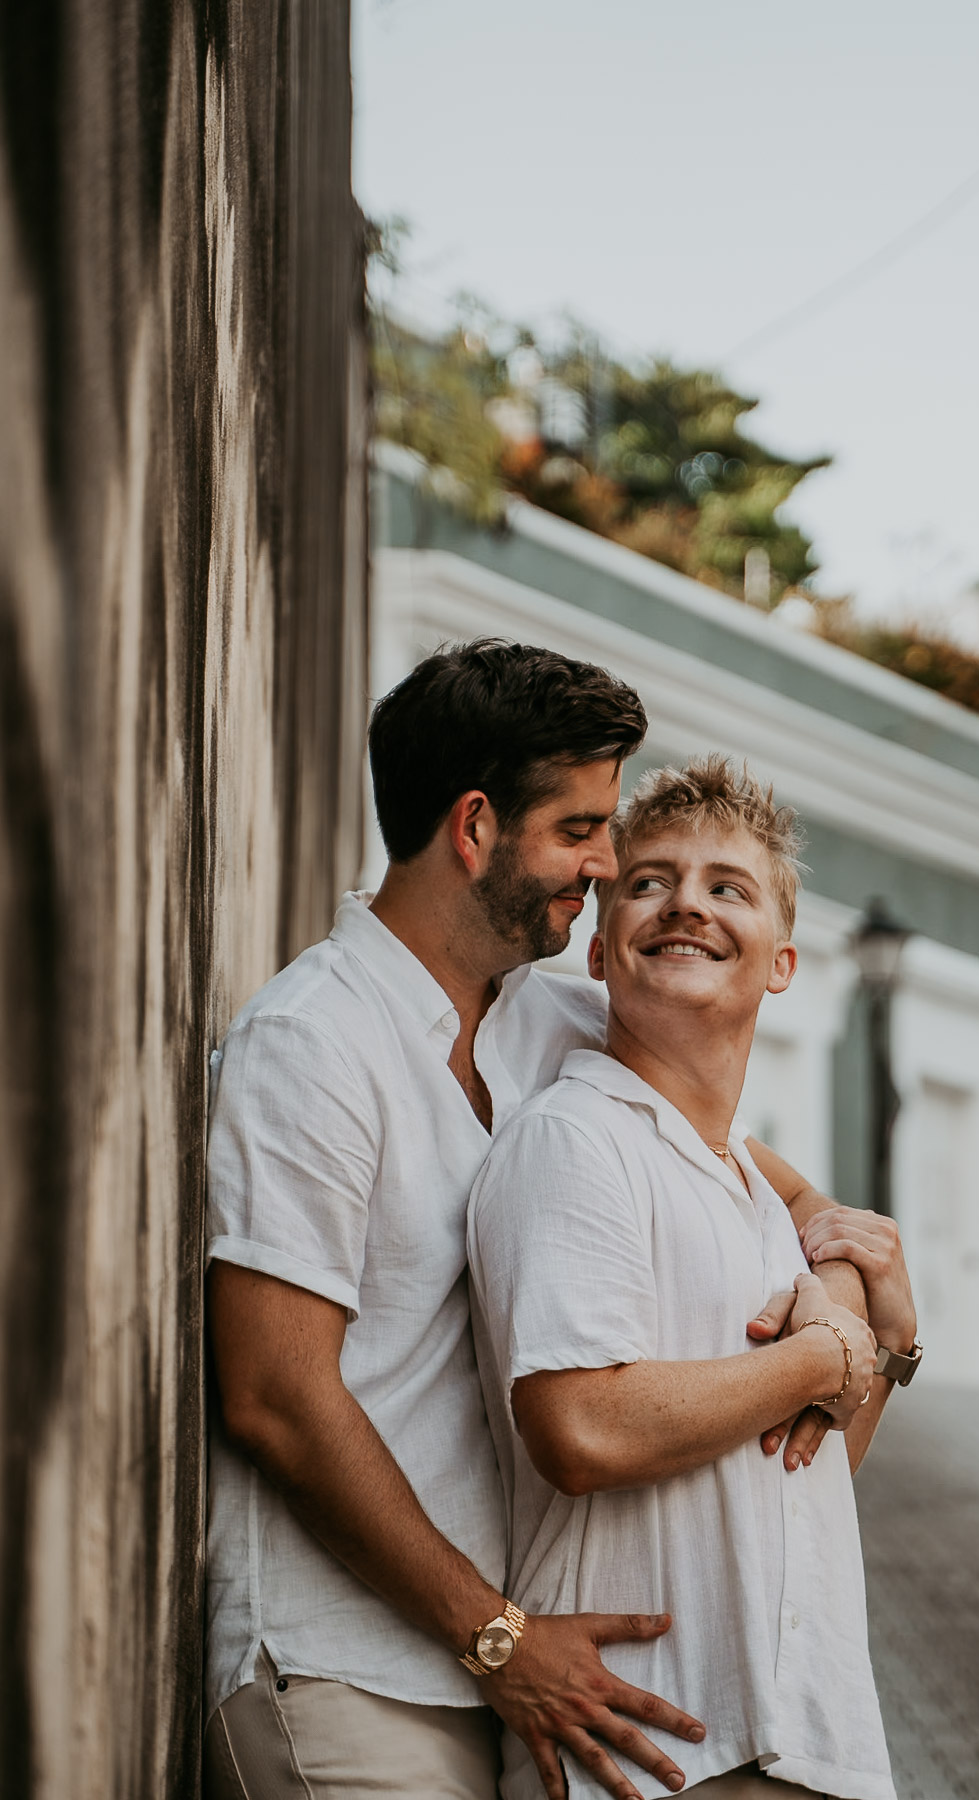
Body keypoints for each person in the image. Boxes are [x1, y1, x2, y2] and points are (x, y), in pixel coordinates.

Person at [203, 639, 910, 1800]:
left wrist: (843, 1277)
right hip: (340, 1672)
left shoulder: (545, 1015)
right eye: (583, 830)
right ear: (477, 828)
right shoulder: (313, 1042)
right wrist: (497, 1636)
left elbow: (752, 1167)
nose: (605, 862)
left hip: (489, 1676)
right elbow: (276, 1397)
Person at [469, 757, 919, 1800]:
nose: (686, 905)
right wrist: (824, 1353)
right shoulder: (577, 1140)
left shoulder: (757, 1196)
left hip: (805, 1742)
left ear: (782, 964)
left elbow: (799, 1477)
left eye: (729, 888)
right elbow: (581, 1426)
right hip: (650, 1754)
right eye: (649, 881)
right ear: (600, 944)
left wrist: (888, 1349)